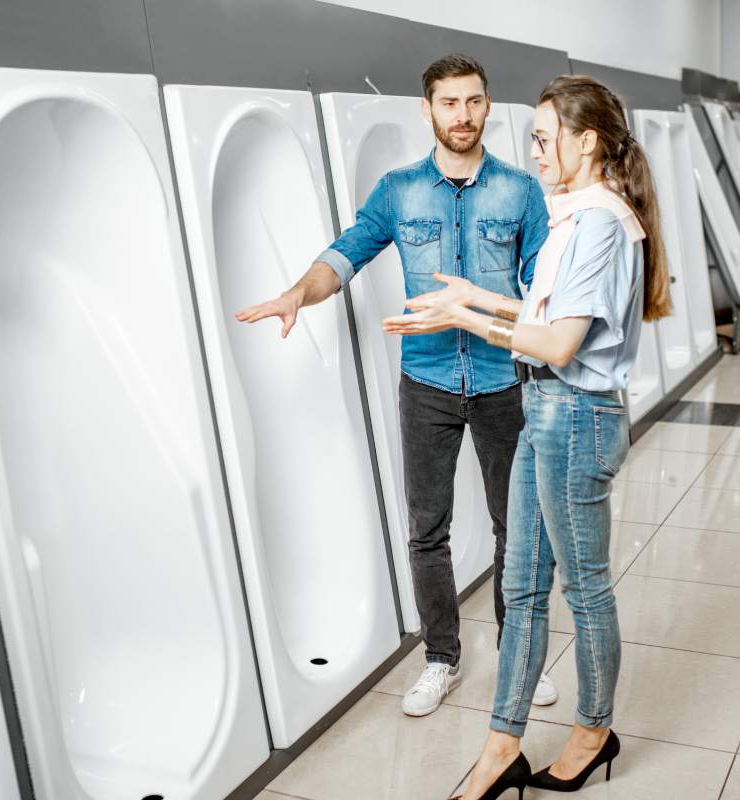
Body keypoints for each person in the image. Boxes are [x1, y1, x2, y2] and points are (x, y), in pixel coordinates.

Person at [236, 53, 554, 717]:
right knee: (426, 530)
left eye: (472, 101)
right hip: (427, 384)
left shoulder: (522, 192)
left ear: (487, 105)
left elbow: (543, 293)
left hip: (503, 380)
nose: (461, 115)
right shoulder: (398, 189)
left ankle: (518, 654)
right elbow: (346, 254)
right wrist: (299, 293)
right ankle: (442, 659)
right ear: (428, 110)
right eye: (449, 103)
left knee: (516, 527)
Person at [384, 75, 672, 798]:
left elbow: (559, 343)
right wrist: (475, 295)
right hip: (545, 410)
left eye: (544, 138)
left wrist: (463, 320)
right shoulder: (577, 213)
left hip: (575, 414)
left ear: (587, 142)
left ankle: (593, 731)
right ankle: (500, 747)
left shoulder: (603, 222)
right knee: (522, 583)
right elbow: (541, 310)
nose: (534, 150)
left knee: (585, 591)